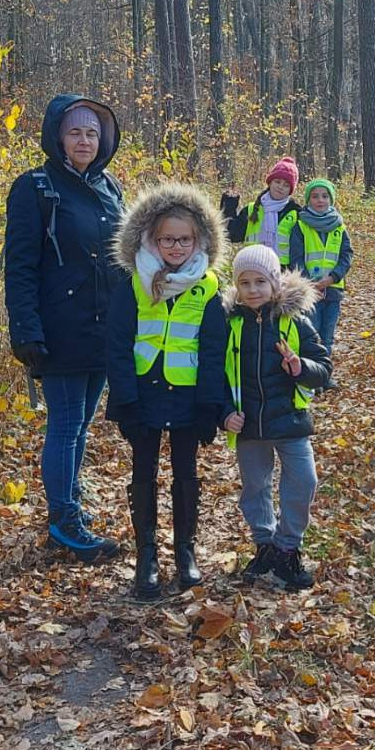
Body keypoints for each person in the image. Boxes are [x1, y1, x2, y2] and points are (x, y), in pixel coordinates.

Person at [4, 95, 123, 562]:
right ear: (58, 136)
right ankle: (63, 521)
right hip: (58, 330)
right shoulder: (34, 187)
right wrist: (25, 329)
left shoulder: (110, 187)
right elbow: (20, 266)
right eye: (75, 132)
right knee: (67, 423)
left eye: (92, 133)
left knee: (82, 426)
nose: (85, 141)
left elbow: (125, 259)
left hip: (104, 328)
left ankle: (70, 505)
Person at [106, 183, 227, 601]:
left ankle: (185, 551)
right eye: (167, 239)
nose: (176, 246)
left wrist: (211, 405)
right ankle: (147, 558)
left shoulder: (209, 288)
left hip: (188, 397)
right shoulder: (135, 283)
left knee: (186, 475)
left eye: (184, 239)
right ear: (150, 239)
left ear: (199, 241)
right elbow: (118, 343)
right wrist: (125, 399)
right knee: (144, 475)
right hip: (142, 395)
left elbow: (214, 351)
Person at [222, 244, 331, 592]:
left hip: (291, 420)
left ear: (275, 282)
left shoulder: (294, 321)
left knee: (303, 481)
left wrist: (301, 367)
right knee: (255, 487)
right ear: (236, 286)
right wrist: (225, 412)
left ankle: (288, 547)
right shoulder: (230, 324)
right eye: (245, 283)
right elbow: (216, 373)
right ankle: (264, 544)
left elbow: (324, 369)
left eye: (260, 282)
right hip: (249, 424)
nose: (253, 290)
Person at [289, 177, 353, 360]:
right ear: (308, 200)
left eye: (325, 196)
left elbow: (346, 254)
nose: (320, 200)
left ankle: (325, 374)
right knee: (312, 334)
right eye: (315, 196)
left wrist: (333, 277)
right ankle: (312, 375)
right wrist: (311, 282)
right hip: (310, 291)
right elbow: (297, 257)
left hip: (333, 290)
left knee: (327, 336)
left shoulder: (339, 226)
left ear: (331, 200)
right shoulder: (300, 226)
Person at [220, 157, 300, 267]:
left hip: (283, 273)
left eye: (286, 185)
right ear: (270, 182)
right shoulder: (251, 210)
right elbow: (232, 235)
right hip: (251, 267)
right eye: (277, 182)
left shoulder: (295, 214)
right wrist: (229, 205)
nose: (280, 187)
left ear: (290, 191)